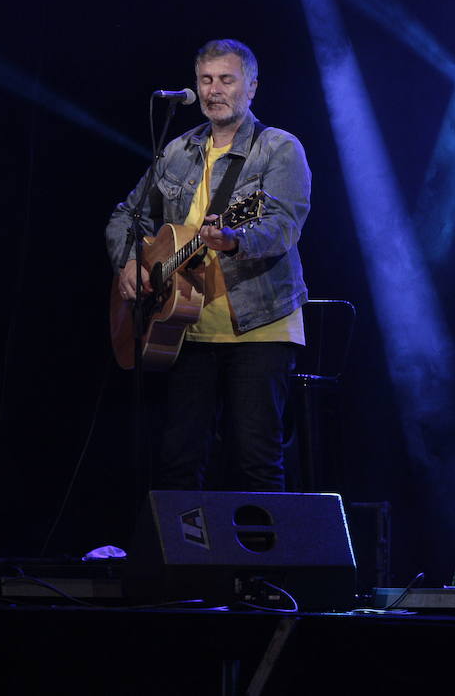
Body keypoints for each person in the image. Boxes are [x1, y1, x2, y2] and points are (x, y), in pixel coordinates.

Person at [105, 39, 310, 491]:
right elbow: (127, 215)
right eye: (206, 80)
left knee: (256, 462)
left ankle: (261, 564)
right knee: (179, 461)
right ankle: (189, 563)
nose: (215, 90)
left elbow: (283, 223)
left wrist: (235, 241)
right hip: (185, 330)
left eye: (227, 80)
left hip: (259, 326)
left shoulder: (279, 149)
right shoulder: (177, 150)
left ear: (252, 87)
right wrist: (129, 264)